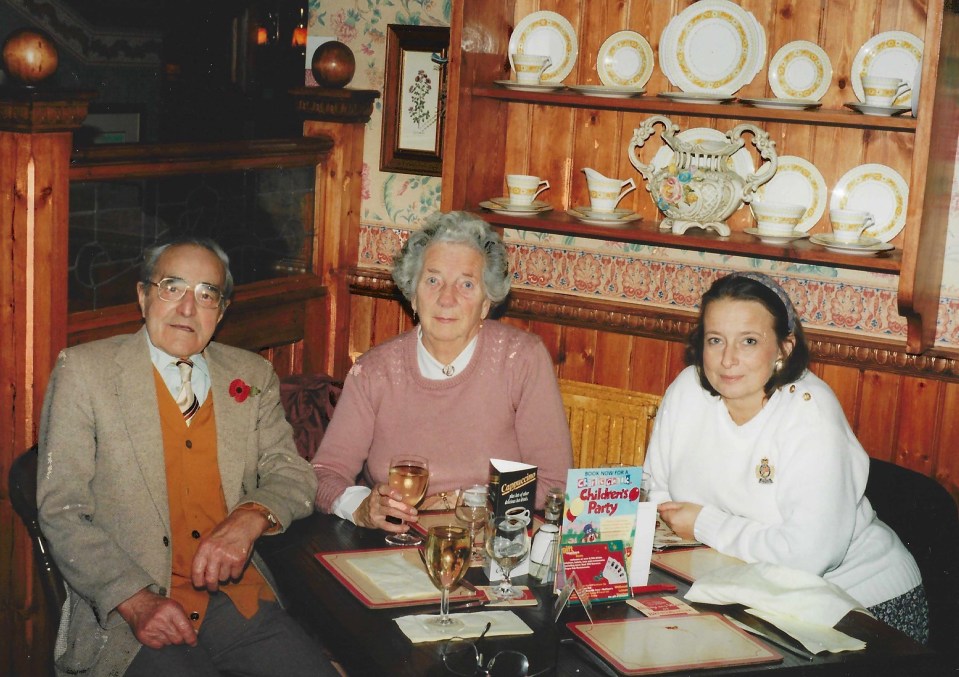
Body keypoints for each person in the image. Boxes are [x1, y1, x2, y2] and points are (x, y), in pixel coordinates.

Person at [37, 238, 339, 677]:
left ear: (222, 310)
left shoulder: (251, 375)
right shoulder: (85, 373)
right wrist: (136, 601)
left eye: (206, 294)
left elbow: (290, 473)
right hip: (129, 615)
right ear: (143, 296)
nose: (186, 309)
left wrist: (250, 516)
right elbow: (62, 512)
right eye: (172, 288)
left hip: (236, 601)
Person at [646, 272, 928, 643]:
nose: (728, 359)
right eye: (716, 340)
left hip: (855, 603)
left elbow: (807, 557)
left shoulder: (810, 412)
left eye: (749, 341)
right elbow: (656, 493)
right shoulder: (688, 390)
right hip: (746, 590)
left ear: (784, 348)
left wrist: (706, 524)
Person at [312, 211, 573, 533]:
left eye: (466, 284)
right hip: (394, 543)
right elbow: (324, 473)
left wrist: (468, 501)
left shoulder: (521, 359)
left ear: (486, 302)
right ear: (413, 295)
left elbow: (555, 483)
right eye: (433, 280)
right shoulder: (375, 371)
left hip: (493, 541)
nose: (447, 298)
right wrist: (362, 507)